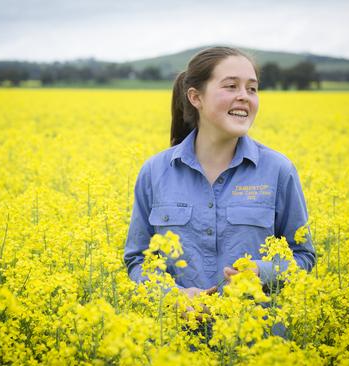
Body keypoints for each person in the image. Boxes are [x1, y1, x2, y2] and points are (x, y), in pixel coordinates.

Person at [124, 46, 316, 301]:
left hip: (256, 336)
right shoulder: (155, 172)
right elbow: (138, 260)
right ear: (196, 97)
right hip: (175, 337)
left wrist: (262, 271)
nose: (244, 96)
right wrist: (173, 296)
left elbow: (303, 256)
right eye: (231, 86)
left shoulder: (278, 171)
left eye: (252, 88)